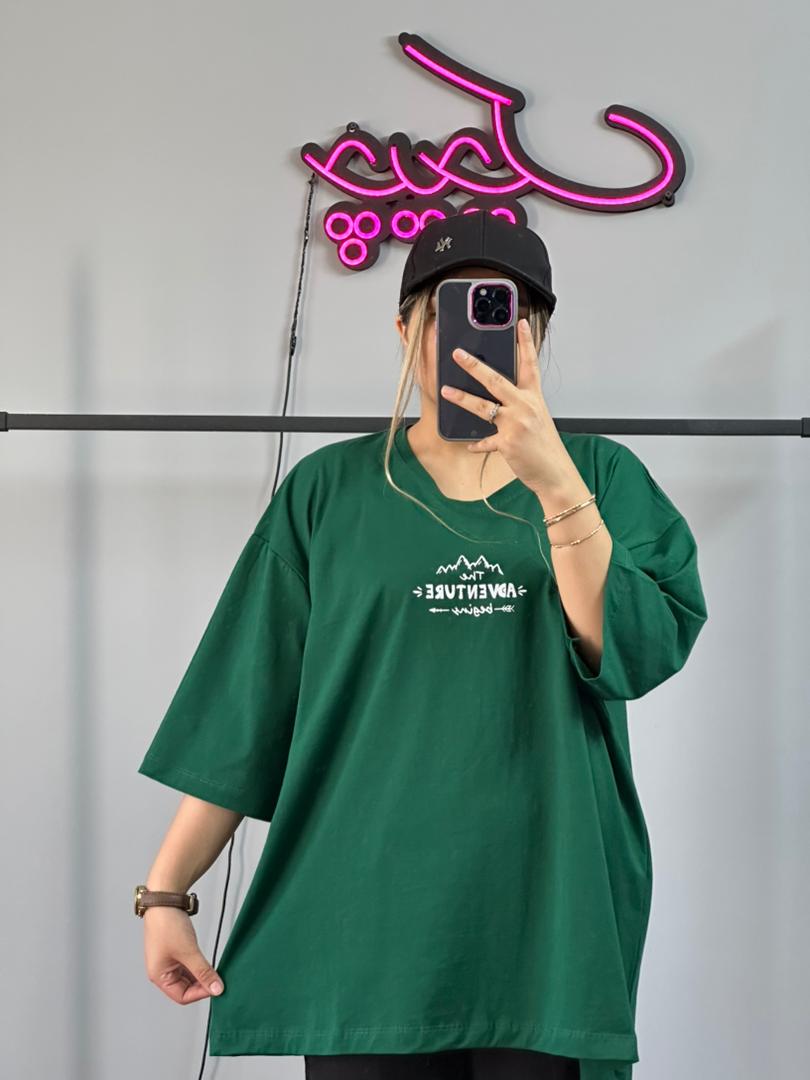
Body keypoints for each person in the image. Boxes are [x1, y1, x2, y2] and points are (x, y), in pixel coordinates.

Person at [136, 212, 709, 1080]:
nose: (474, 336)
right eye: (448, 312)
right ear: (406, 330)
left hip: (551, 922)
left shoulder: (601, 476)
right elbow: (246, 709)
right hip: (362, 926)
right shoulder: (328, 492)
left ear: (536, 334)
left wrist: (553, 478)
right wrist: (165, 894)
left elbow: (639, 648)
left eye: (503, 312)